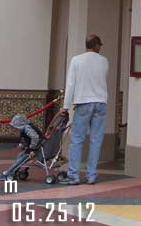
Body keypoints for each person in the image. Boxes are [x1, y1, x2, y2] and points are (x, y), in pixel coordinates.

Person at [59, 34, 109, 186]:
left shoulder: (76, 60)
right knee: (96, 140)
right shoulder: (104, 61)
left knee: (77, 140)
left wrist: (65, 107)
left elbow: (71, 84)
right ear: (95, 45)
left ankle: (73, 175)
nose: (100, 47)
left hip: (83, 102)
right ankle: (91, 175)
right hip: (100, 102)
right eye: (99, 45)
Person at [0, 114, 45, 180]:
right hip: (36, 148)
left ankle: (7, 173)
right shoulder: (27, 128)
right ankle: (13, 171)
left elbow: (35, 137)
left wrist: (31, 148)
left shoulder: (27, 128)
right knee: (20, 156)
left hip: (35, 150)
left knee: (20, 159)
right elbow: (30, 138)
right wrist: (24, 145)